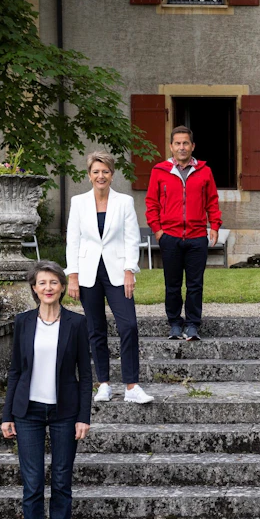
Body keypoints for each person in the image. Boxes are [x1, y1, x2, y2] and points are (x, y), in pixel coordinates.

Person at [1, 260, 92, 519]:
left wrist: (84, 416)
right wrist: (7, 414)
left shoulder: (76, 324)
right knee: (33, 485)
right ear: (34, 288)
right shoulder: (23, 322)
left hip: (65, 412)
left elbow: (85, 373)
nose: (48, 288)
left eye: (54, 282)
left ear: (63, 287)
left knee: (62, 482)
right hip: (27, 413)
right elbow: (15, 371)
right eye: (42, 283)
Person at [65, 151, 153, 405]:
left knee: (129, 326)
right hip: (88, 273)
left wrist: (129, 270)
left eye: (105, 171)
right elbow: (73, 240)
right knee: (95, 329)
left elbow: (131, 238)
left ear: (112, 175)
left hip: (117, 273)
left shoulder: (124, 202)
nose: (100, 176)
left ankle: (131, 386)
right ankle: (103, 383)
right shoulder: (78, 202)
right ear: (89, 175)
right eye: (96, 171)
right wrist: (73, 275)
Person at [145, 126, 222, 341]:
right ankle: (175, 324)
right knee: (173, 284)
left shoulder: (204, 171)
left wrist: (214, 225)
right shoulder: (159, 171)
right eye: (177, 143)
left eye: (185, 143)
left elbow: (212, 201)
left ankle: (192, 325)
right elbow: (151, 203)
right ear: (171, 146)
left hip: (197, 237)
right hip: (170, 236)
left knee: (195, 284)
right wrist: (158, 230)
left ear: (192, 146)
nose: (181, 147)